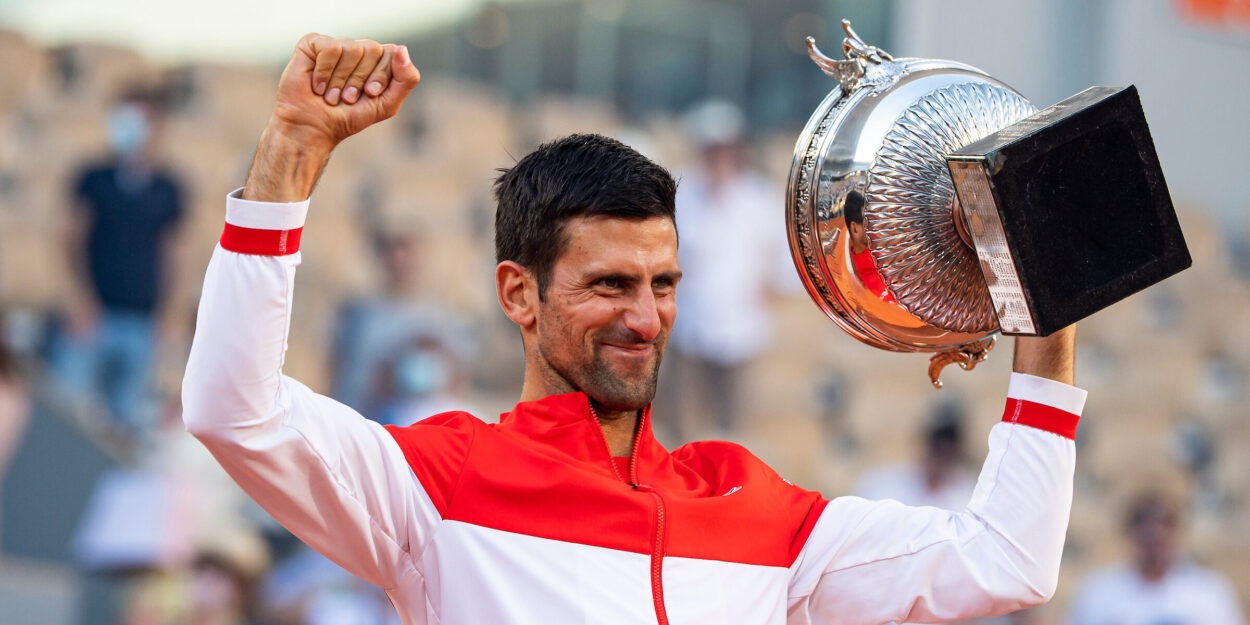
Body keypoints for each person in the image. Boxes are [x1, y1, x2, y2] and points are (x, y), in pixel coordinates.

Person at [183, 34, 1086, 625]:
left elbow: (1006, 561)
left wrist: (1042, 289)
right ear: (518, 294)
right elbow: (233, 408)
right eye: (610, 284)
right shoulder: (435, 483)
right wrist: (293, 150)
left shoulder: (762, 510)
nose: (645, 317)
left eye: (663, 283)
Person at [59, 86, 185, 437]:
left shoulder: (169, 187)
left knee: (128, 425)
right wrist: (79, 300)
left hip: (142, 322)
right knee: (71, 418)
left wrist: (169, 311)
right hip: (93, 319)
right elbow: (70, 240)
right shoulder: (92, 178)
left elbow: (174, 252)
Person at [665, 100, 795, 438]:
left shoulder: (759, 196)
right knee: (682, 426)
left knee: (733, 430)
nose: (718, 158)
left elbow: (788, 252)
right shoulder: (682, 195)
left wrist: (775, 286)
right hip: (688, 327)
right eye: (711, 150)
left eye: (724, 150)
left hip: (741, 330)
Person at [1066, 492, 1246, 625]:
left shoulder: (1210, 593)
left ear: (1178, 533)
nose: (1154, 542)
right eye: (1146, 535)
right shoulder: (1097, 594)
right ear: (1130, 534)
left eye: (1163, 530)